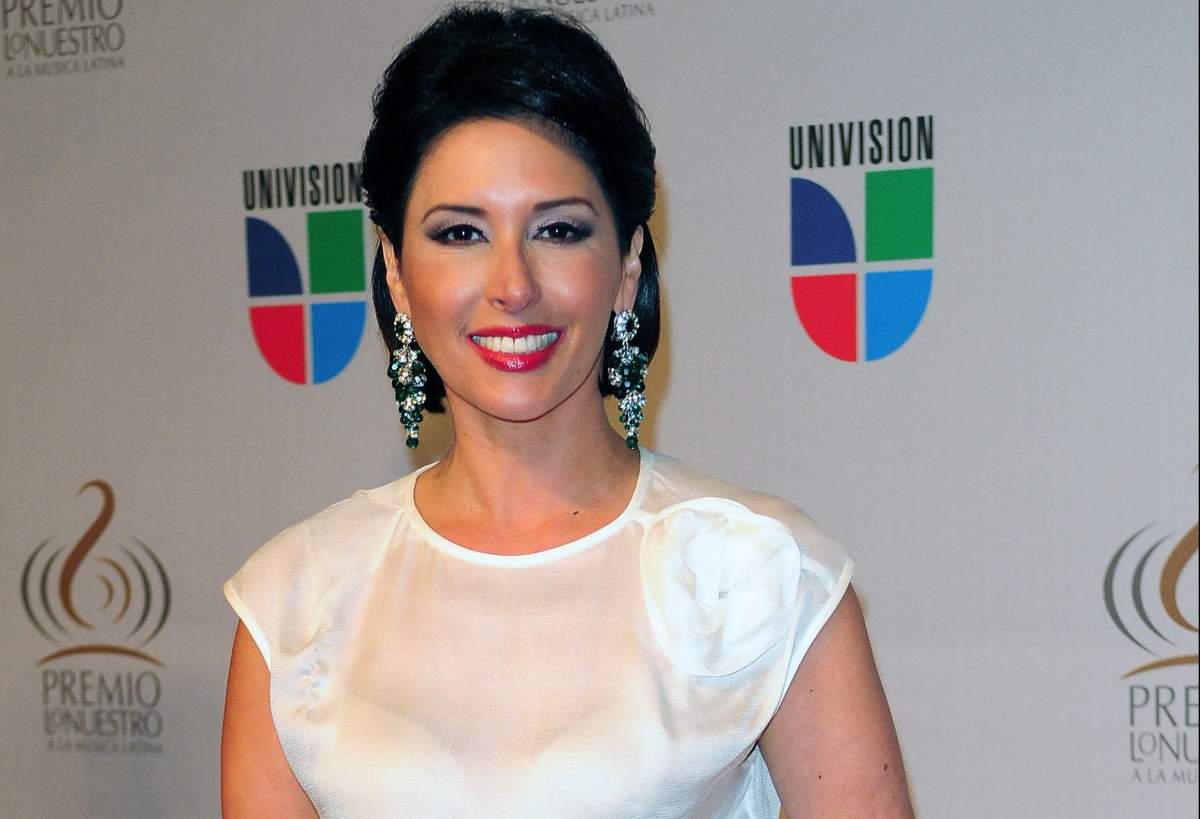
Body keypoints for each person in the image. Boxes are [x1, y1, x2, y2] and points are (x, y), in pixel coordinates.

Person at [220, 6, 915, 818]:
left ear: (626, 264)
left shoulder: (761, 573)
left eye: (557, 229)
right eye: (460, 234)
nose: (513, 285)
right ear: (397, 272)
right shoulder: (293, 600)